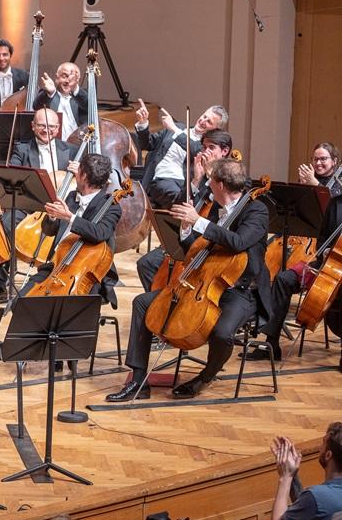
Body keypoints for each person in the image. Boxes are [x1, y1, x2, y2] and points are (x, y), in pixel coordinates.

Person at [106, 159, 270, 401]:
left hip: (240, 290)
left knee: (222, 333)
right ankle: (138, 379)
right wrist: (186, 230)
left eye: (211, 180)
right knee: (142, 302)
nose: (208, 183)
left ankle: (205, 377)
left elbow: (238, 242)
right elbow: (196, 249)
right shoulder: (217, 207)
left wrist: (199, 222)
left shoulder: (257, 210)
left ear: (221, 185)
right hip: (203, 282)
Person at [0, 107, 78, 301]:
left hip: (59, 209)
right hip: (29, 206)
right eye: (42, 126)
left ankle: (58, 281)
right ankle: (0, 283)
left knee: (75, 230)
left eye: (52, 126)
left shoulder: (70, 150)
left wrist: (79, 173)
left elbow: (83, 183)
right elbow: (13, 175)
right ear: (33, 126)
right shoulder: (22, 149)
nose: (47, 130)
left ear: (58, 128)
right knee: (3, 226)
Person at [18, 153, 121, 310]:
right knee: (20, 304)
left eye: (78, 170)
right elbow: (49, 231)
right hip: (55, 266)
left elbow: (100, 233)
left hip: (86, 274)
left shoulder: (111, 206)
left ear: (83, 176)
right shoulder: (72, 196)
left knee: (61, 312)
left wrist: (69, 217)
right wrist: (52, 218)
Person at [136, 129, 234, 291]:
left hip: (208, 241)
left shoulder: (231, 177)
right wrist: (195, 180)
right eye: (204, 147)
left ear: (224, 151)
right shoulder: (198, 172)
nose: (205, 152)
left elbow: (225, 204)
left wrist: (211, 175)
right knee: (146, 264)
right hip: (186, 235)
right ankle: (160, 301)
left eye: (211, 148)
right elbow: (178, 206)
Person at [250, 191, 342, 362]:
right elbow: (322, 238)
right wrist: (325, 251)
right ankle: (271, 344)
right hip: (327, 264)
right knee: (283, 279)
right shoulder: (336, 203)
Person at [135, 99, 228, 209]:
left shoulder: (205, 145)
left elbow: (195, 149)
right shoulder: (178, 127)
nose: (203, 121)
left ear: (216, 130)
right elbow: (147, 144)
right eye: (204, 116)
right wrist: (143, 123)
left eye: (209, 122)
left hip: (180, 185)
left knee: (183, 203)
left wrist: (174, 129)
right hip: (158, 179)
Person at [271, 423, 342, 520]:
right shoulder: (315, 499)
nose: (319, 448)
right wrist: (293, 475)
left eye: (323, 443)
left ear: (328, 455)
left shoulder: (316, 496)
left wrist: (285, 477)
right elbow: (307, 510)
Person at [32, 62, 88, 142]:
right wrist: (50, 93)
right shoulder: (47, 94)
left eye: (72, 78)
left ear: (77, 79)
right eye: (64, 76)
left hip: (78, 144)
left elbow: (89, 106)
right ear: (57, 77)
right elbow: (36, 107)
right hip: (54, 144)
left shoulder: (82, 96)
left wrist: (75, 89)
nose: (67, 81)